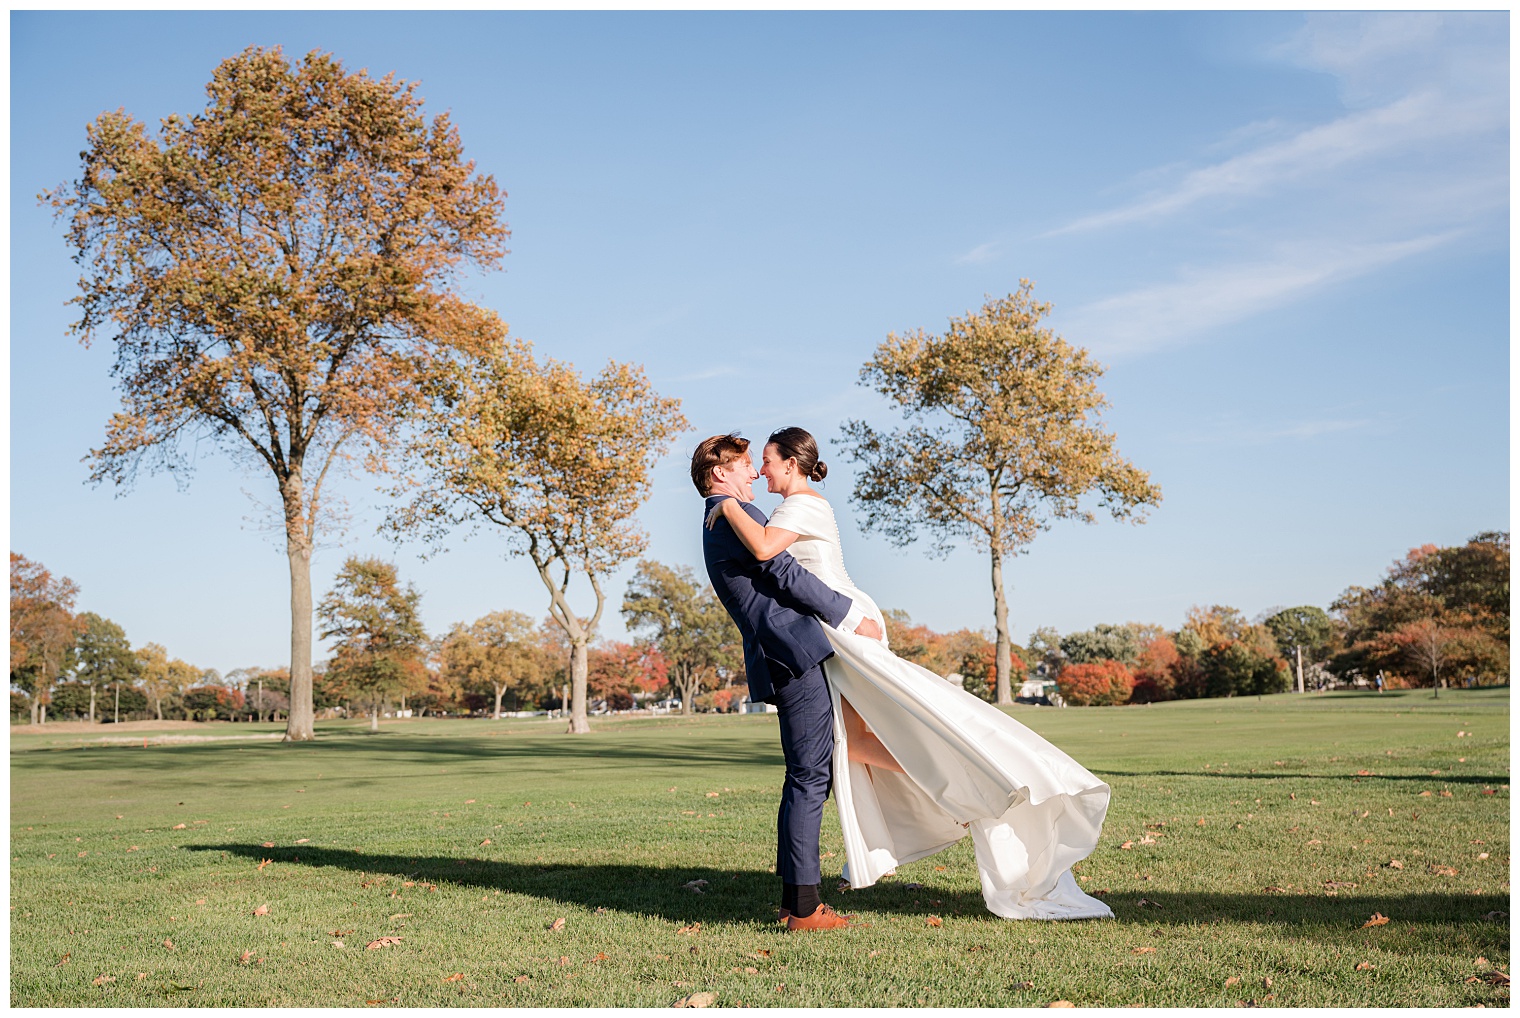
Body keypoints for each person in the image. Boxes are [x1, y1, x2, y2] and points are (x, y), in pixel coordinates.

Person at [712, 427, 1114, 921]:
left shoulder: (799, 506)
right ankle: (951, 790)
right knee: (851, 743)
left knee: (905, 716)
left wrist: (726, 504)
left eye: (768, 461)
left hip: (846, 624)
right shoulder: (780, 509)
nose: (760, 469)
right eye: (755, 464)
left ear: (792, 464)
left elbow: (771, 558)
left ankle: (962, 784)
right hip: (827, 631)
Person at [693, 433, 884, 932]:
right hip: (791, 654)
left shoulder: (721, 516)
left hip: (783, 654)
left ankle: (795, 901)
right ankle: (802, 909)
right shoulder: (732, 515)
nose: (753, 473)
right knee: (808, 777)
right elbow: (783, 572)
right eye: (742, 467)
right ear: (719, 475)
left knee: (810, 773)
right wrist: (849, 617)